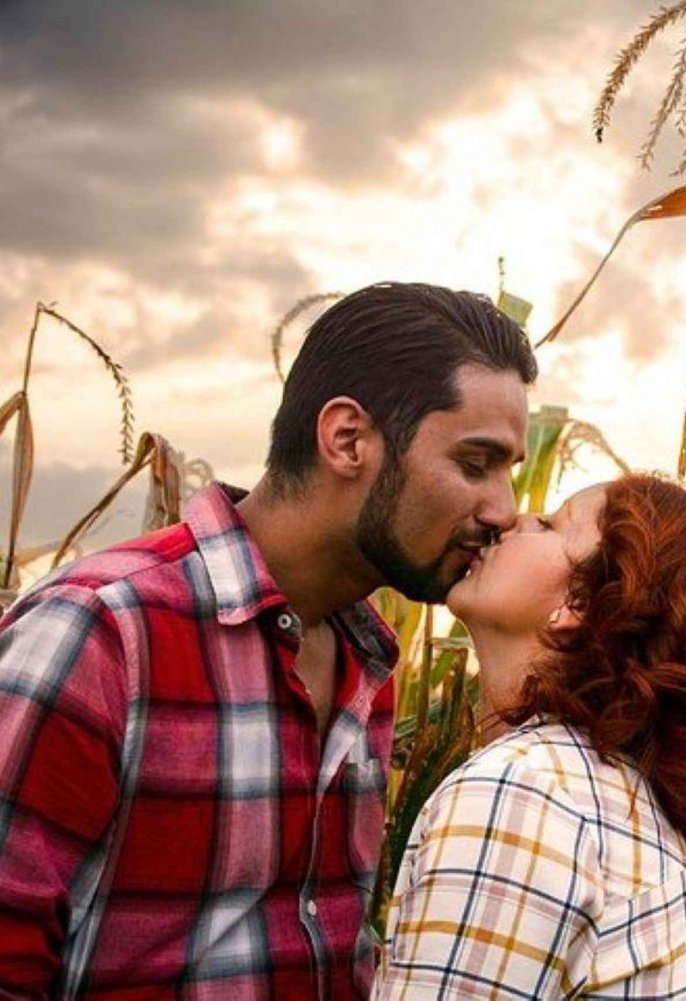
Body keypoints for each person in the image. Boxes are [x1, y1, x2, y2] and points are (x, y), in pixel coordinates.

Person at [0, 283, 536, 999]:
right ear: (348, 438)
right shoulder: (101, 635)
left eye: (510, 471)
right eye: (476, 463)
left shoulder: (366, 667)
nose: (504, 509)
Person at [377, 475, 686, 999]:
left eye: (551, 524)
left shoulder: (520, 794)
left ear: (582, 601)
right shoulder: (619, 798)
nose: (512, 520)